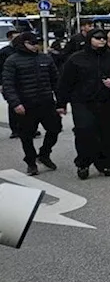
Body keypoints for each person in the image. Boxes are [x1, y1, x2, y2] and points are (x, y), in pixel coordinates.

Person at [57, 29, 110, 179]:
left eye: (103, 38)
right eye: (97, 38)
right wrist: (61, 103)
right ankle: (83, 162)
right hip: (83, 101)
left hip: (108, 101)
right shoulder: (76, 59)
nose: (101, 40)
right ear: (89, 40)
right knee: (85, 131)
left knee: (109, 133)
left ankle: (107, 163)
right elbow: (65, 82)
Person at [2, 31, 63, 175]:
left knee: (55, 129)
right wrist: (15, 103)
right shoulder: (12, 61)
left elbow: (56, 81)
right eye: (32, 43)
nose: (36, 46)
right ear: (24, 44)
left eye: (37, 43)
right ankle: (30, 162)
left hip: (46, 102)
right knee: (26, 136)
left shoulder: (45, 59)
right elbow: (8, 85)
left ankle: (44, 154)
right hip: (26, 104)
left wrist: (60, 102)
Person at [2, 29, 26, 139]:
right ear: (10, 38)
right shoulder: (4, 52)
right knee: (13, 105)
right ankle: (15, 129)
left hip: (23, 82)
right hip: (10, 82)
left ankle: (26, 128)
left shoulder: (22, 50)